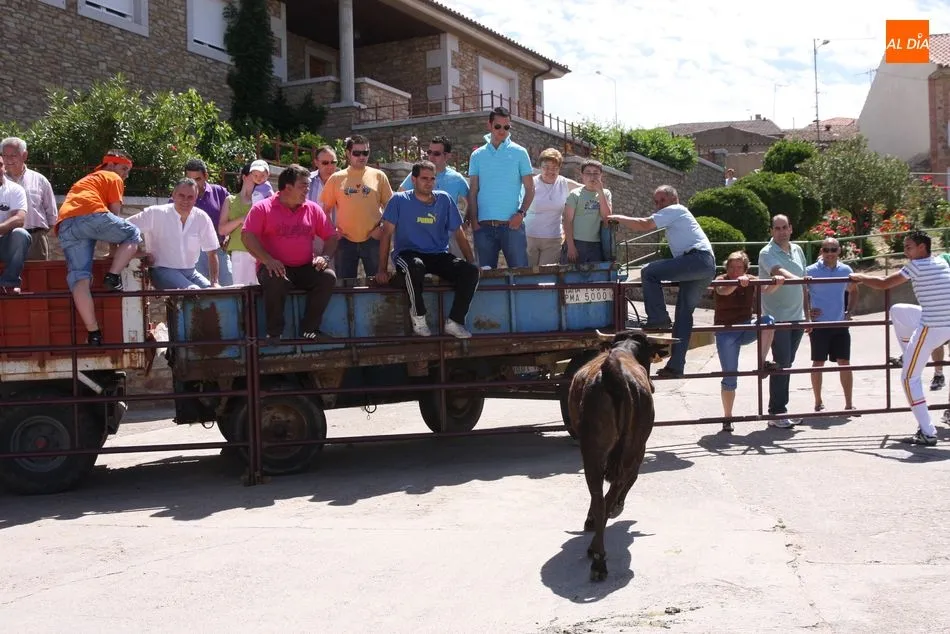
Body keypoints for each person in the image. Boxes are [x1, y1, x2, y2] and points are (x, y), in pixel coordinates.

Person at [851, 230, 950, 445]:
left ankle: (927, 432)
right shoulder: (941, 261)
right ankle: (909, 355)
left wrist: (861, 277)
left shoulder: (916, 266)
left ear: (922, 247)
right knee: (898, 310)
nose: (905, 251)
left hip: (932, 327)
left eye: (908, 247)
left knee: (908, 379)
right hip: (945, 324)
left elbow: (884, 283)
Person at [607, 185, 716, 379]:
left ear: (674, 199)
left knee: (648, 272)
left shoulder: (675, 209)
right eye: (656, 202)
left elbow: (644, 224)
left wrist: (617, 217)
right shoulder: (677, 213)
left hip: (697, 260)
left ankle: (658, 318)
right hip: (705, 265)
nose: (659, 205)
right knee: (683, 315)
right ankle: (676, 366)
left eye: (662, 200)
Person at [378, 160, 479, 339]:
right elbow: (386, 235)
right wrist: (382, 269)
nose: (429, 182)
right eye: (424, 178)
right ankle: (418, 317)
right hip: (408, 253)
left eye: (432, 179)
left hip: (437, 254)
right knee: (415, 266)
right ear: (414, 179)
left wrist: (471, 261)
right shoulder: (399, 200)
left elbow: (458, 232)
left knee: (470, 272)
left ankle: (455, 321)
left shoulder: (444, 199)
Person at [242, 164, 339, 341]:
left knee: (328, 276)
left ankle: (309, 330)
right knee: (276, 278)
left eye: (308, 185)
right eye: (303, 186)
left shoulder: (312, 208)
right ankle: (274, 333)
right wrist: (267, 260)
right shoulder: (262, 208)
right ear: (287, 187)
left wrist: (324, 257)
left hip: (304, 266)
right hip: (273, 267)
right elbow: (247, 236)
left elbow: (331, 236)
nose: (307, 190)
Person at [56, 150, 142, 345]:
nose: (126, 175)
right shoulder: (112, 177)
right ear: (110, 165)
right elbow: (114, 216)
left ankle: (93, 332)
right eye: (124, 169)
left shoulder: (87, 180)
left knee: (80, 279)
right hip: (91, 215)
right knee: (133, 233)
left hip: (66, 224)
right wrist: (115, 254)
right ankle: (112, 277)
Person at [713, 251, 778, 432]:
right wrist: (736, 283)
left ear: (745, 268)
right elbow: (722, 290)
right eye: (732, 267)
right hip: (726, 332)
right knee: (730, 377)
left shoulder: (750, 279)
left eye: (739, 267)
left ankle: (762, 363)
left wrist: (777, 282)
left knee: (769, 321)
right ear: (727, 268)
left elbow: (767, 290)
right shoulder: (721, 279)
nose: (735, 271)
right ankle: (727, 417)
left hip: (745, 326)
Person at [757, 214, 808, 428]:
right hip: (777, 319)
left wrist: (807, 316)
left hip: (797, 317)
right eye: (777, 228)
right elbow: (778, 271)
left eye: (784, 227)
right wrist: (797, 279)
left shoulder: (798, 250)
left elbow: (804, 286)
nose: (781, 232)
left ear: (791, 228)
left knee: (787, 364)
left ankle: (780, 410)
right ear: (771, 231)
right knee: (782, 363)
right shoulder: (766, 252)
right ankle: (776, 412)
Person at [467, 106, 534, 269]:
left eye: (506, 127)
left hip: (512, 226)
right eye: (498, 126)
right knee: (484, 278)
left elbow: (530, 188)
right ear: (489, 125)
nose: (502, 130)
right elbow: (473, 191)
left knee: (520, 276)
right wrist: (474, 221)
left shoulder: (520, 152)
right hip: (483, 227)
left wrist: (521, 214)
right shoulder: (477, 155)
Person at [320, 135, 393, 281]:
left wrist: (381, 227)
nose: (362, 157)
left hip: (373, 240)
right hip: (344, 241)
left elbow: (391, 208)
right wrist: (333, 231)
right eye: (357, 153)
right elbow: (324, 211)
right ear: (348, 154)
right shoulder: (336, 178)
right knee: (344, 284)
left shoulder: (379, 176)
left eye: (365, 153)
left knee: (378, 282)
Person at [127, 178, 219, 289]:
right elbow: (123, 228)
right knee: (193, 291)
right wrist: (139, 252)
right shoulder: (155, 213)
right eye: (181, 195)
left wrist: (214, 282)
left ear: (196, 198)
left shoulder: (202, 217)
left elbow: (212, 252)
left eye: (190, 197)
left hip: (191, 273)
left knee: (215, 294)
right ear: (173, 195)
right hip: (162, 271)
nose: (185, 200)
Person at [805, 237, 858, 413]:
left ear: (839, 251)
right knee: (818, 362)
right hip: (819, 325)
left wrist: (849, 313)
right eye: (826, 249)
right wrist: (808, 313)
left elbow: (854, 290)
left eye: (833, 249)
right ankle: (818, 402)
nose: (829, 253)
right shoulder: (810, 271)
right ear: (821, 251)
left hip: (839, 324)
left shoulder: (846, 270)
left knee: (845, 362)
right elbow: (801, 293)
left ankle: (849, 404)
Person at [397, 136, 471, 261]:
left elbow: (470, 201)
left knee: (457, 270)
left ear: (447, 156)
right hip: (422, 237)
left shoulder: (457, 179)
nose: (431, 157)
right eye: (429, 152)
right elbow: (400, 196)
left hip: (450, 237)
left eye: (436, 153)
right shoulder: (416, 175)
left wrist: (466, 221)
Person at [1, 137, 57, 260]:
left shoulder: (40, 180)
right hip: (5, 241)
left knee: (38, 272)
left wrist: (38, 233)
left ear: (24, 155)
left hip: (35, 241)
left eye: (13, 155)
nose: (8, 160)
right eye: (4, 155)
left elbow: (52, 216)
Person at [183, 158, 233, 286]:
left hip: (219, 250)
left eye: (197, 179)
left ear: (206, 176)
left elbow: (233, 217)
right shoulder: (179, 197)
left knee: (229, 289)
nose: (194, 184)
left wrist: (229, 236)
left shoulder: (220, 192)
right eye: (190, 180)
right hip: (193, 254)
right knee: (200, 293)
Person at [525, 147, 572, 266]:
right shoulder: (531, 183)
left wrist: (603, 192)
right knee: (528, 274)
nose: (550, 171)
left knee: (547, 275)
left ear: (559, 169)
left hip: (553, 239)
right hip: (529, 237)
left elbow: (585, 189)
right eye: (546, 167)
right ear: (540, 167)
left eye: (555, 168)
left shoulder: (564, 183)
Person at [562, 160, 611, 264]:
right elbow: (567, 221)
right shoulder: (574, 194)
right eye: (588, 173)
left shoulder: (606, 193)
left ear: (601, 175)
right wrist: (570, 246)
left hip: (597, 244)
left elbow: (607, 218)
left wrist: (600, 192)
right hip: (576, 242)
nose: (592, 176)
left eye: (596, 173)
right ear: (582, 175)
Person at [219, 162, 260, 286]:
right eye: (255, 176)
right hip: (240, 252)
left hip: (261, 251)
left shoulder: (263, 200)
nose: (258, 180)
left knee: (261, 291)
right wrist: (241, 219)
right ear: (244, 177)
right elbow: (222, 230)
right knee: (241, 290)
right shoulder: (230, 200)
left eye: (261, 177)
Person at [0, 154, 31, 293]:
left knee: (21, 234)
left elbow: (19, 219)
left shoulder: (15, 189)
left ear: (4, 167)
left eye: (0, 165)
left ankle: (10, 282)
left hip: (5, 244)